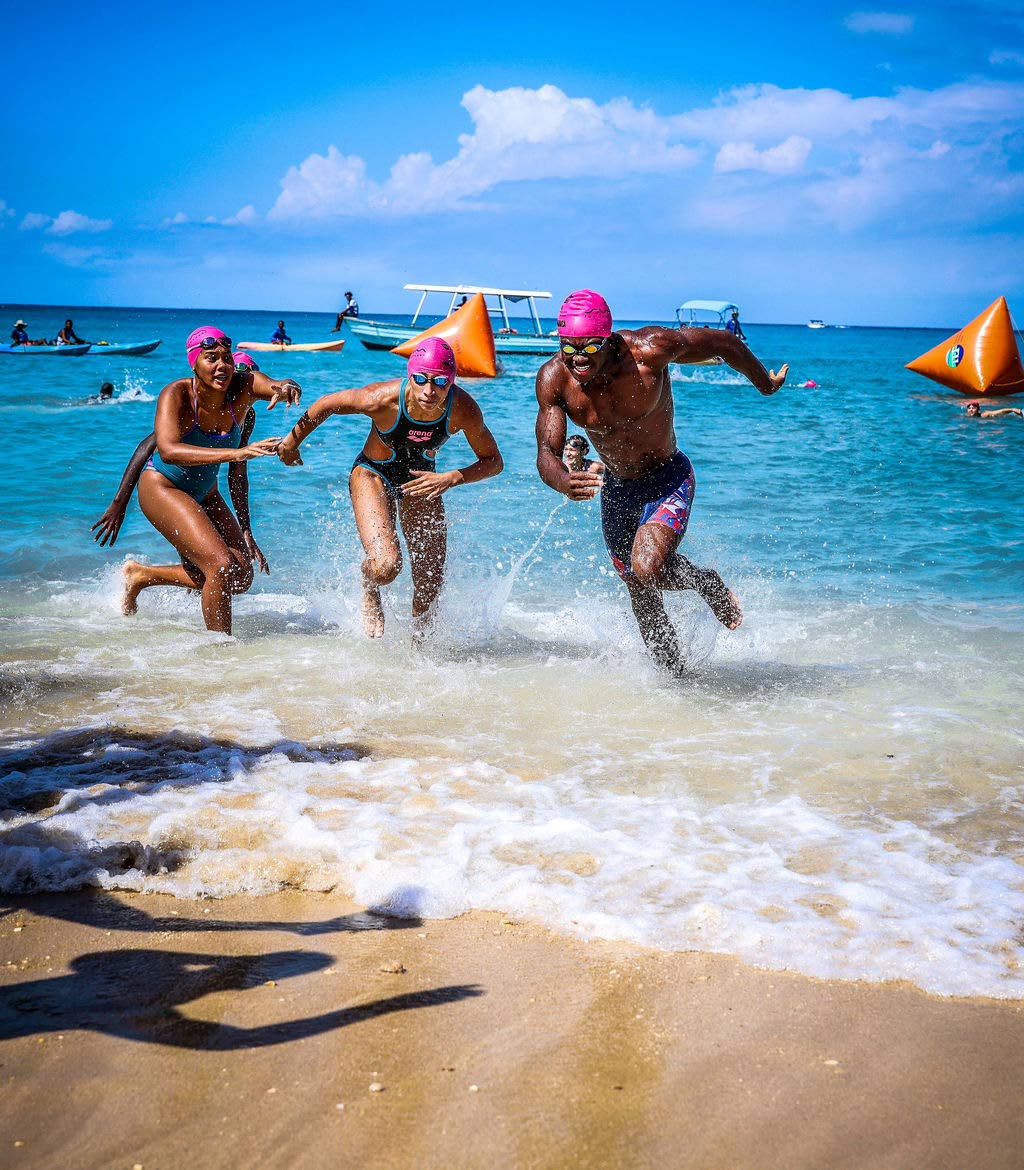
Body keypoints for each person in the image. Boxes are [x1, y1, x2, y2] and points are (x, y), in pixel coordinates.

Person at [535, 289, 788, 672]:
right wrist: (562, 482)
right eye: (569, 347)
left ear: (608, 338)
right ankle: (674, 678)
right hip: (618, 487)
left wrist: (763, 384)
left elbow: (725, 341)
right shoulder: (555, 379)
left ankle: (705, 582)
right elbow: (546, 453)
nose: (579, 358)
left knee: (649, 567)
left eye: (589, 346)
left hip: (667, 477)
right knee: (638, 587)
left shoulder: (649, 350)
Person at [277, 336, 503, 640]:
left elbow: (493, 461)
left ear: (452, 381)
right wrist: (291, 442)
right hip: (372, 474)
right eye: (420, 379)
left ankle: (420, 656)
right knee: (386, 566)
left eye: (439, 382)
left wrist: (452, 477)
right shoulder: (380, 399)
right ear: (410, 374)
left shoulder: (463, 409)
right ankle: (369, 584)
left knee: (430, 582)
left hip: (422, 483)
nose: (429, 390)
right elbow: (326, 404)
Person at [105, 328, 300, 634]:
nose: (222, 365)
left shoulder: (242, 395)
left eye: (226, 358)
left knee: (241, 576)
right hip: (163, 488)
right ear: (194, 362)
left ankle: (142, 576)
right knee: (219, 567)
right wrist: (119, 502)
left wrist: (287, 387)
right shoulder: (178, 394)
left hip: (205, 495)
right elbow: (165, 450)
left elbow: (276, 384)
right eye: (211, 358)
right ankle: (219, 654)